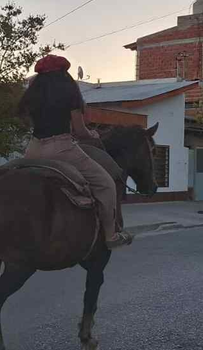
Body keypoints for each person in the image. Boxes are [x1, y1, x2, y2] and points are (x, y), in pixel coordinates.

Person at [18, 54, 132, 249]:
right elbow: (80, 131)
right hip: (62, 149)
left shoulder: (32, 95)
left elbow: (32, 123)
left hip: (33, 150)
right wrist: (92, 135)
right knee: (106, 184)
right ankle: (111, 235)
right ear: (64, 73)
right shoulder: (68, 92)